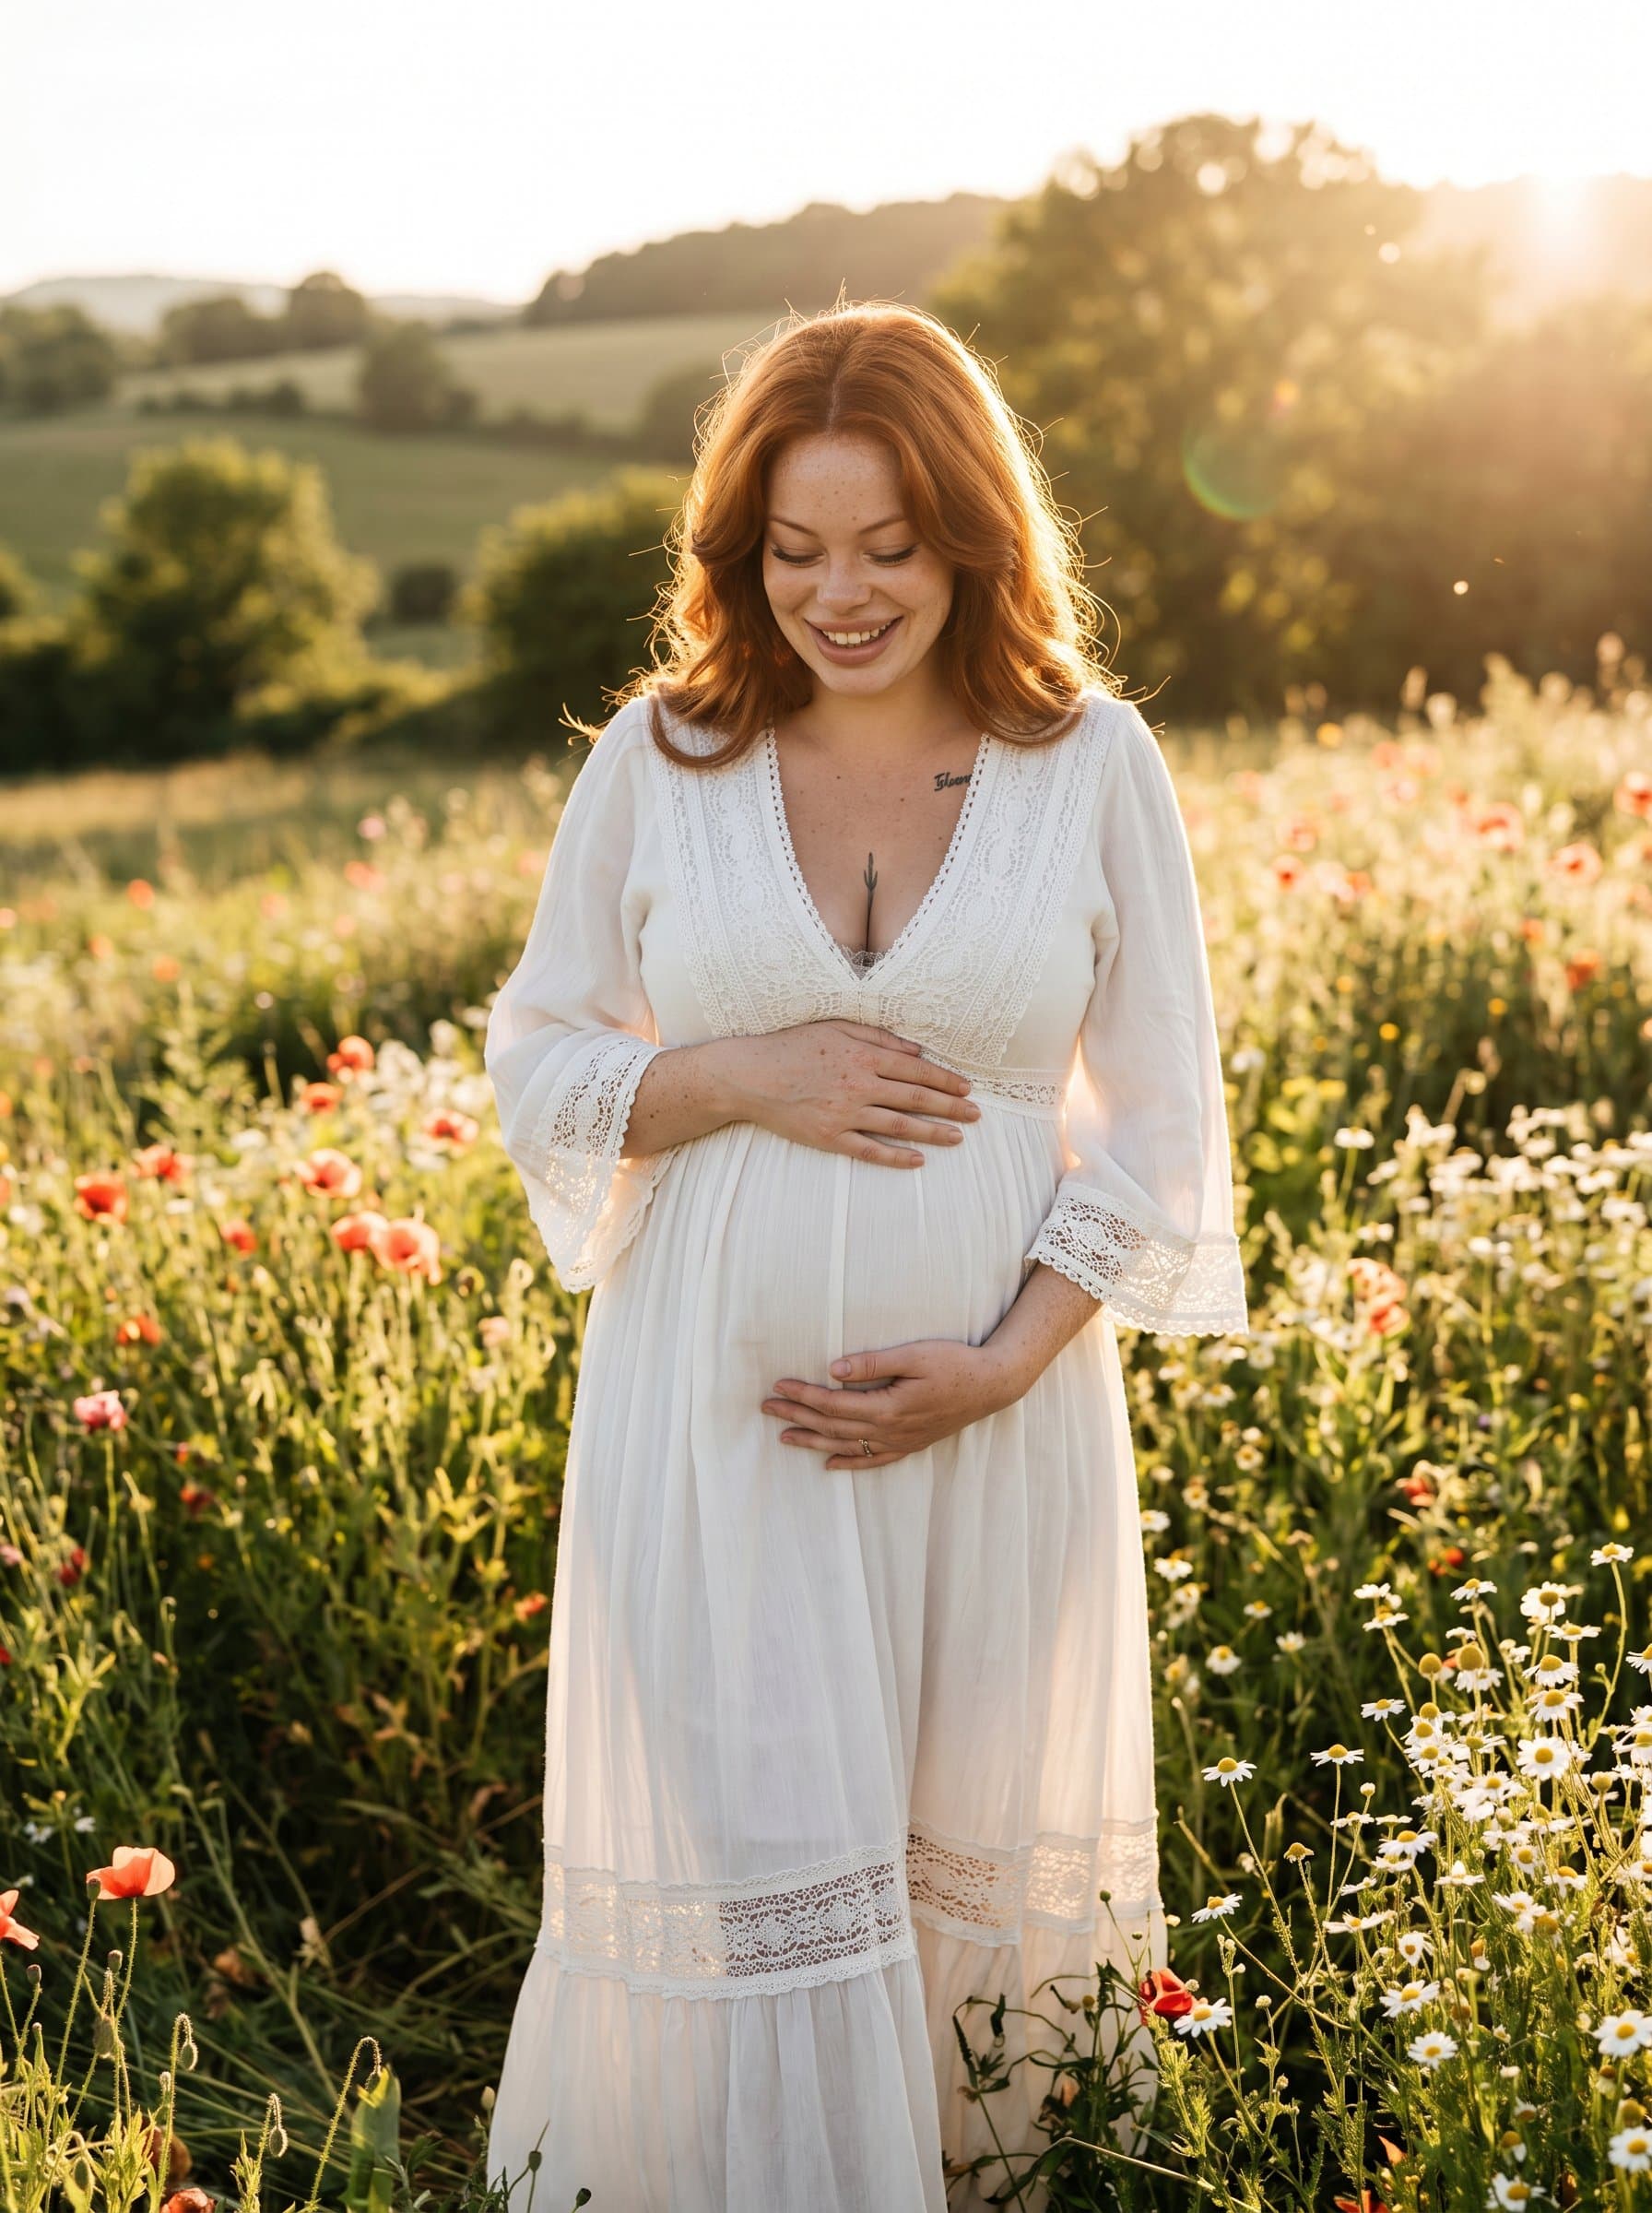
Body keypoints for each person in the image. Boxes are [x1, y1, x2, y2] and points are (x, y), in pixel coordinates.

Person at [481, 300, 1248, 2213]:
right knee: (758, 1865)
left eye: (889, 546)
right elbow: (540, 1058)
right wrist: (736, 1074)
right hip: (716, 1429)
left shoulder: (1091, 765)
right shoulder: (661, 759)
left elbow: (1160, 1125)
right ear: (740, 554)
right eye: (795, 550)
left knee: (970, 1851)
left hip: (998, 1429)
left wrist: (1001, 1362)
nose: (840, 594)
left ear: (971, 534)